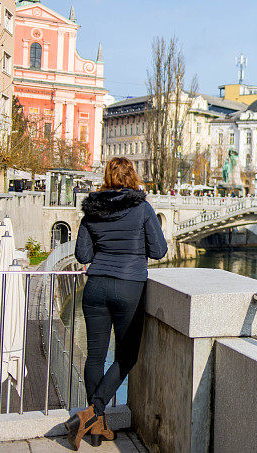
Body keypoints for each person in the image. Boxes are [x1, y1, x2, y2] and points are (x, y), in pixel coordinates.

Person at [68, 157, 168, 450]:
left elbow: (83, 256)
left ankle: (95, 428)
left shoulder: (92, 210)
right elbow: (159, 250)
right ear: (132, 176)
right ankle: (93, 412)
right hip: (129, 287)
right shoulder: (141, 208)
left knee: (95, 357)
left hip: (95, 287)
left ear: (107, 177)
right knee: (127, 356)